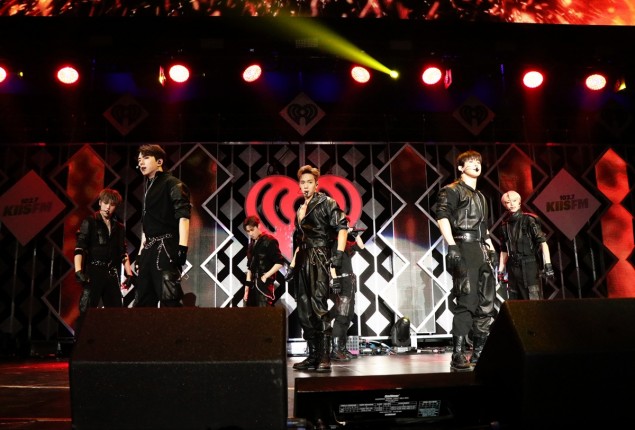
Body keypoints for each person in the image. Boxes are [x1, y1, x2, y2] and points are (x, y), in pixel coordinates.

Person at [434, 150, 498, 371]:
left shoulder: (481, 196)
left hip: (481, 249)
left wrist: (491, 248)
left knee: (486, 304)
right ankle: (458, 353)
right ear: (461, 168)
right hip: (463, 246)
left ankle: (479, 352)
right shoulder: (451, 190)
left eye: (478, 161)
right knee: (467, 300)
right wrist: (452, 246)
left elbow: (484, 228)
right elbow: (442, 217)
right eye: (470, 162)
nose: (476, 164)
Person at [290, 165, 349, 373]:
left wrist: (338, 254)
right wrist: (293, 264)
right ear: (299, 185)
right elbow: (300, 241)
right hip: (303, 259)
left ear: (316, 184)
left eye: (309, 182)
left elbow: (342, 227)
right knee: (304, 309)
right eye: (302, 182)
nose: (305, 186)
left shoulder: (326, 202)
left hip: (320, 256)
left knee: (318, 305)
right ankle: (313, 355)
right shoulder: (300, 209)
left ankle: (324, 356)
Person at [135, 144, 191, 308]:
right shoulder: (149, 187)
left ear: (159, 161)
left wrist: (182, 248)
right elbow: (147, 227)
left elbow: (183, 217)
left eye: (146, 158)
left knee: (169, 299)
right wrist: (140, 254)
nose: (141, 162)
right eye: (139, 159)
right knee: (143, 301)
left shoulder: (172, 183)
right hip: (149, 249)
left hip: (165, 248)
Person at [74, 188, 133, 334]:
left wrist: (129, 273)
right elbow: (80, 248)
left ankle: (114, 344)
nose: (108, 207)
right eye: (105, 203)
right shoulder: (90, 222)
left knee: (116, 314)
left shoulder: (119, 227)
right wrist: (78, 271)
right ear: (100, 203)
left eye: (111, 204)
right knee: (86, 312)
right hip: (93, 273)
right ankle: (81, 344)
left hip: (111, 274)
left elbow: (123, 252)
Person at [498, 190, 554, 300]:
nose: (512, 204)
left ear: (519, 202)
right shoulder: (505, 226)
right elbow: (504, 250)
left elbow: (543, 243)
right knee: (514, 298)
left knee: (532, 297)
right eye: (508, 202)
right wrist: (500, 271)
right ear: (505, 205)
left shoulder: (529, 220)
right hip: (513, 267)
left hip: (529, 264)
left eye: (514, 201)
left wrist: (548, 265)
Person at [329, 219, 365, 361]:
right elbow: (331, 264)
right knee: (342, 315)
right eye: (346, 226)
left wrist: (356, 235)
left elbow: (361, 247)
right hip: (342, 281)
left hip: (350, 281)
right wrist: (334, 280)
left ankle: (342, 348)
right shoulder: (335, 244)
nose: (347, 228)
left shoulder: (346, 245)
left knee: (348, 315)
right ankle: (336, 349)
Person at [242, 215, 285, 307]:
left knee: (263, 312)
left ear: (258, 226)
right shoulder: (251, 245)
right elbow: (249, 267)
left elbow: (280, 262)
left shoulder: (269, 241)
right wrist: (246, 289)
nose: (250, 233)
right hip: (252, 286)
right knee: (251, 313)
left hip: (263, 286)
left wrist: (265, 276)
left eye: (252, 230)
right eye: (248, 231)